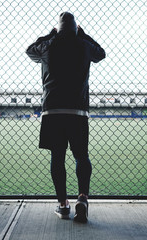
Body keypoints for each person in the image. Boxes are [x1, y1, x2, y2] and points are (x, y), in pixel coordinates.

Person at [26, 12, 105, 222]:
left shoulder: (48, 45)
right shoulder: (84, 45)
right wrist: (85, 35)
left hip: (52, 110)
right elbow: (101, 54)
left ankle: (63, 205)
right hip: (77, 110)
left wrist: (48, 35)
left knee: (57, 157)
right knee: (81, 156)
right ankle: (82, 197)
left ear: (58, 28)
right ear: (75, 27)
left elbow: (29, 51)